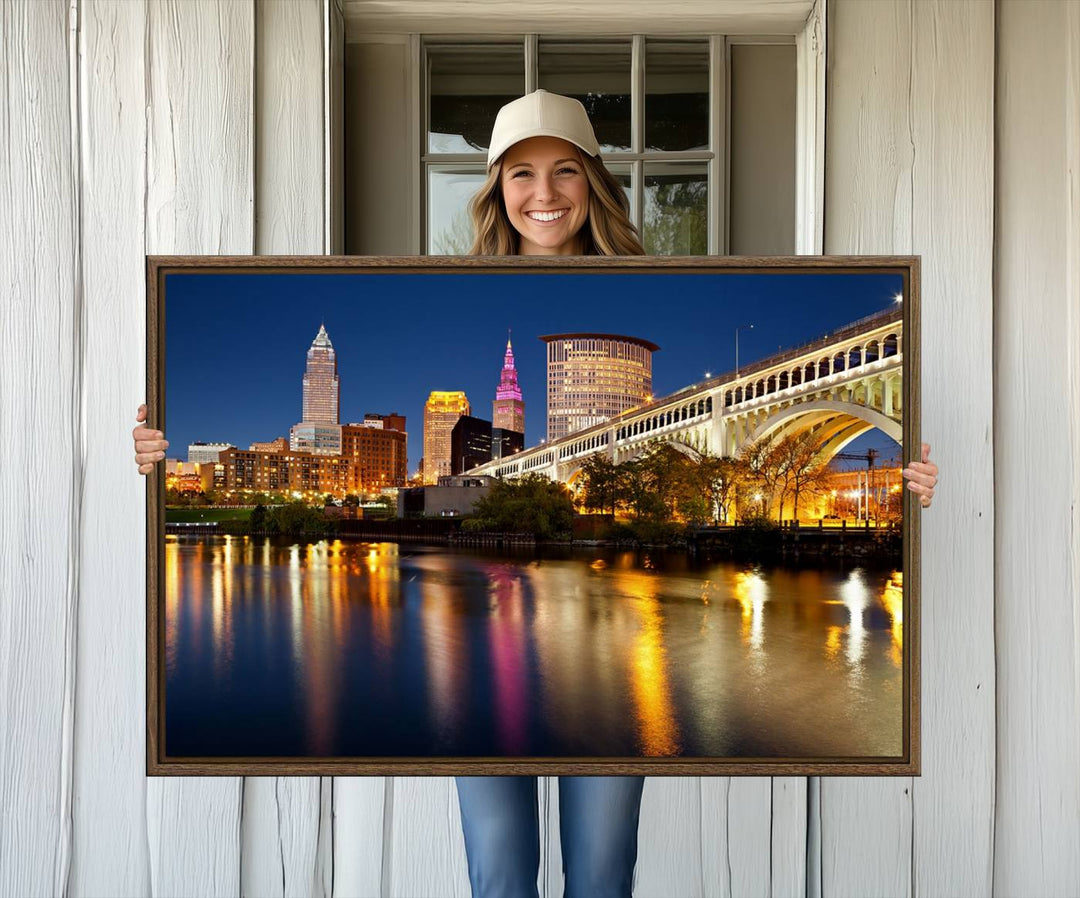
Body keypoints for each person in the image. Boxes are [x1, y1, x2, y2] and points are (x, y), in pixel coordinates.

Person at [132, 90, 940, 898]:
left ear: (593, 182)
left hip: (611, 695)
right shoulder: (454, 286)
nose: (544, 194)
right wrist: (158, 454)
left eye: (565, 172)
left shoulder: (656, 277)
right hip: (507, 692)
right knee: (500, 871)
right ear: (496, 189)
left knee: (601, 872)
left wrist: (913, 487)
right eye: (521, 173)